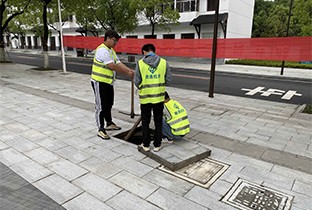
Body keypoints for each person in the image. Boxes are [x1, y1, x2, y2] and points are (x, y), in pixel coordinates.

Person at [91, 29, 134, 140]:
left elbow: (118, 63)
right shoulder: (102, 50)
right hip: (99, 82)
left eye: (117, 41)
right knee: (100, 106)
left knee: (109, 104)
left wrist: (130, 71)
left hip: (108, 82)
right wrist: (127, 73)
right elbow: (112, 66)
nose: (115, 43)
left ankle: (109, 123)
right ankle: (100, 129)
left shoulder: (111, 51)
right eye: (114, 40)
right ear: (108, 38)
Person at [134, 44, 171, 152]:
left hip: (145, 98)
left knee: (145, 121)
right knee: (158, 121)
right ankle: (157, 145)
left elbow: (137, 81)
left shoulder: (140, 63)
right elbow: (168, 80)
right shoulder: (164, 62)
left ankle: (145, 145)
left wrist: (143, 87)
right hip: (159, 98)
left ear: (144, 51)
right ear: (153, 51)